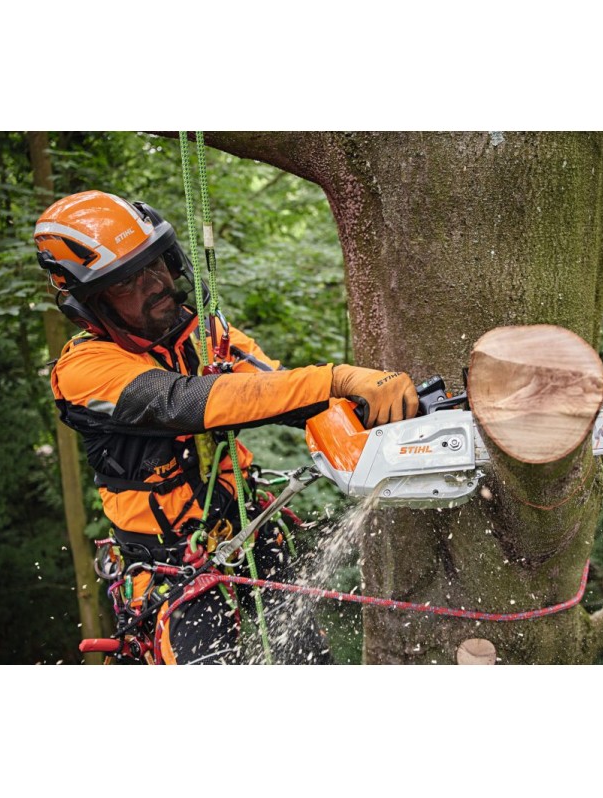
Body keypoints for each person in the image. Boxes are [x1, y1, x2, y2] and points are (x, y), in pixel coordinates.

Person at [36, 189, 418, 664]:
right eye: (126, 283)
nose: (154, 285)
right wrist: (334, 377)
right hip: (169, 567)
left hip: (250, 530)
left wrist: (371, 412)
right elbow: (186, 402)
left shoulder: (203, 334)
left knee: (308, 659)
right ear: (92, 305)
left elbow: (274, 391)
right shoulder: (84, 369)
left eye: (157, 264)